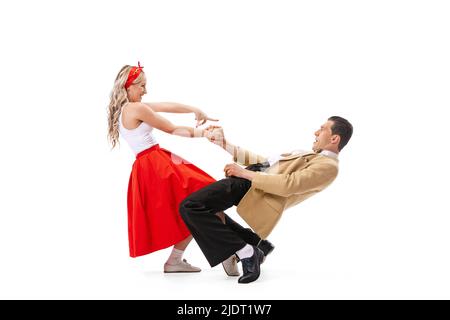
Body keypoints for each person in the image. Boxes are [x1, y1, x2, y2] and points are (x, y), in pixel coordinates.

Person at [179, 116, 353, 283]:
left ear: (334, 138)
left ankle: (246, 251)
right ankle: (256, 244)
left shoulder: (329, 167)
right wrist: (225, 145)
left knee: (190, 206)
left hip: (251, 188)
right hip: (249, 181)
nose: (316, 132)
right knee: (205, 209)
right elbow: (264, 163)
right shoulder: (309, 154)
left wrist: (244, 173)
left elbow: (288, 185)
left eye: (322, 129)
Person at [107, 63, 219, 273]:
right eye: (141, 85)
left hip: (150, 164)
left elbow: (166, 105)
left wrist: (194, 109)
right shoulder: (136, 108)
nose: (145, 90)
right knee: (203, 199)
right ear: (128, 86)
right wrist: (206, 134)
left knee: (196, 205)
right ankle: (220, 253)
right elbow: (172, 129)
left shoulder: (129, 108)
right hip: (155, 165)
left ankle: (175, 260)